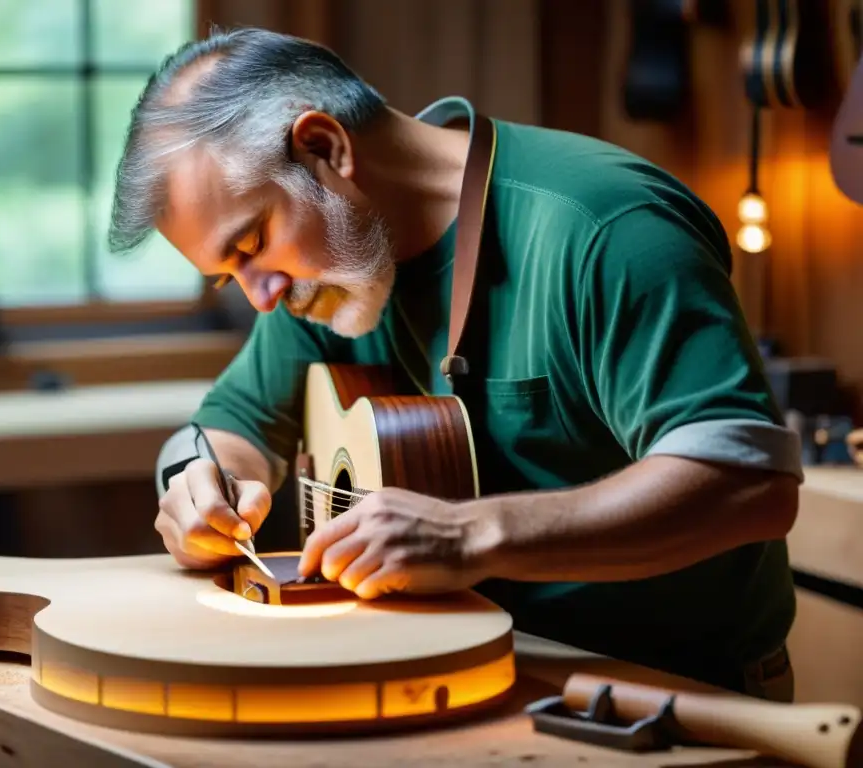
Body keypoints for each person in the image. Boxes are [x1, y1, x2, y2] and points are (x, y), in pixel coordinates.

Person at [108, 26, 803, 700]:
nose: (262, 299)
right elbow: (235, 425)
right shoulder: (332, 271)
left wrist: (474, 534)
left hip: (673, 696)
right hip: (457, 682)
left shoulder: (606, 229)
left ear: (324, 147)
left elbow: (750, 484)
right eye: (232, 276)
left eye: (252, 242)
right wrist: (199, 481)